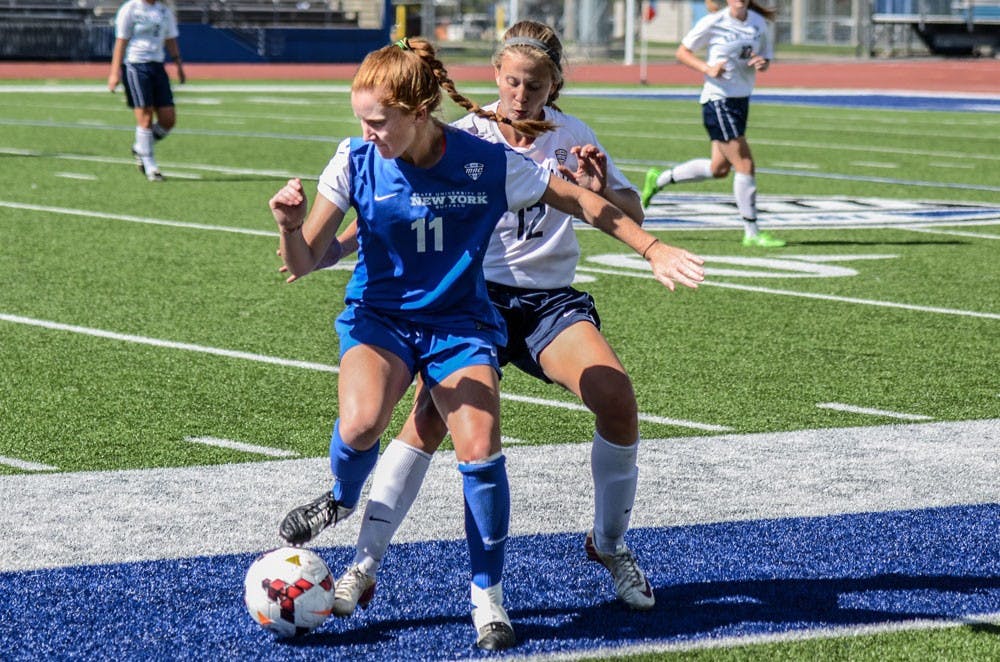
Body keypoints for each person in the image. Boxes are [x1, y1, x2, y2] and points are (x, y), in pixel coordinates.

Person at [270, 38, 704, 651]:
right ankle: (345, 505)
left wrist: (652, 247)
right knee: (365, 424)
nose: (366, 131)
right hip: (383, 317)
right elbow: (310, 256)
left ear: (419, 112)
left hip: (465, 320)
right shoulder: (354, 157)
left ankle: (488, 597)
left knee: (481, 445)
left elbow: (582, 200)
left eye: (377, 121)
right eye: (361, 120)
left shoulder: (486, 160)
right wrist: (289, 228)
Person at [641, 0, 786, 248]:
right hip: (718, 100)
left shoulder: (758, 22)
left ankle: (659, 179)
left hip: (741, 100)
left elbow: (766, 58)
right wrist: (707, 68)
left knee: (719, 168)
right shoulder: (714, 21)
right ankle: (752, 232)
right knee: (745, 164)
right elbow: (682, 52)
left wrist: (762, 63)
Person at [107, 0, 186, 182]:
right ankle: (150, 166)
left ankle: (141, 147)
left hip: (157, 65)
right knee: (146, 116)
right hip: (135, 65)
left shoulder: (164, 10)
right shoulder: (130, 9)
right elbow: (121, 41)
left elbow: (170, 38)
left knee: (168, 119)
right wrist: (114, 73)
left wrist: (178, 65)